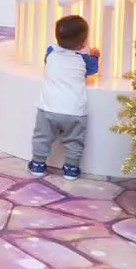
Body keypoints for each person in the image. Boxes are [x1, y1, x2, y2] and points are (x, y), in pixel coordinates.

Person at [28, 15, 101, 181]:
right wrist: (95, 55)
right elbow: (92, 70)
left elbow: (47, 61)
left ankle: (38, 164)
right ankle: (71, 168)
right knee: (74, 140)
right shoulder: (84, 59)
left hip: (48, 107)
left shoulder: (51, 52)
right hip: (74, 110)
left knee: (42, 137)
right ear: (83, 42)